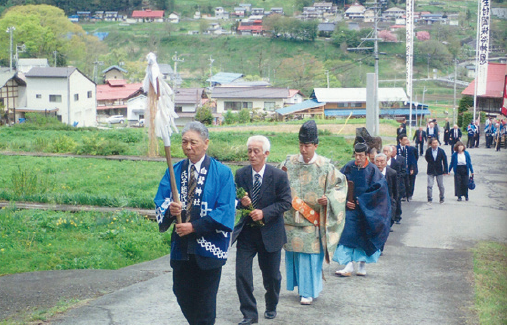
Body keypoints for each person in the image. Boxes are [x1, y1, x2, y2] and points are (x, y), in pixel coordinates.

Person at [154, 122, 236, 325]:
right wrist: (170, 210)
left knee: (205, 304)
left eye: (193, 142)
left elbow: (226, 210)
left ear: (206, 143)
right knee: (182, 293)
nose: (188, 146)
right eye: (184, 142)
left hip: (209, 250)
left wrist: (195, 227)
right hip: (182, 249)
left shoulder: (222, 173)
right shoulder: (174, 171)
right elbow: (161, 200)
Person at [279, 120, 347, 305]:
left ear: (315, 145)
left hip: (313, 219)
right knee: (294, 255)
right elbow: (277, 181)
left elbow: (340, 186)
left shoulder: (325, 166)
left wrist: (330, 198)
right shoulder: (288, 163)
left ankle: (308, 291)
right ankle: (301, 288)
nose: (303, 149)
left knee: (309, 256)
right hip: (292, 219)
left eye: (307, 145)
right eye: (301, 145)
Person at [233, 136, 292, 325]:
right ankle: (249, 313)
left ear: (266, 154)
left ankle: (271, 305)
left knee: (272, 276)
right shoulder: (241, 174)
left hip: (271, 233)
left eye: (256, 151)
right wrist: (241, 203)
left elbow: (286, 202)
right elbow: (234, 199)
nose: (252, 155)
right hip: (247, 234)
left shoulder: (279, 176)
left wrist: (264, 213)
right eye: (249, 151)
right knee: (242, 273)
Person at [333, 142, 391, 277]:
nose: (358, 158)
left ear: (366, 156)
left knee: (364, 238)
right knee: (347, 235)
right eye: (356, 155)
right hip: (350, 210)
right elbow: (337, 184)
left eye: (361, 155)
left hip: (367, 211)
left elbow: (379, 190)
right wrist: (346, 200)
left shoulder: (373, 170)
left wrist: (361, 201)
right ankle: (348, 265)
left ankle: (362, 264)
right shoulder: (348, 167)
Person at [374, 153, 398, 228]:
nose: (379, 164)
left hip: (388, 200)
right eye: (377, 161)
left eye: (381, 161)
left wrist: (394, 201)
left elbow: (395, 190)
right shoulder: (372, 173)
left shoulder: (392, 173)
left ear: (386, 162)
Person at [383, 145, 404, 223]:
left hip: (394, 185)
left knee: (396, 201)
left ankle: (396, 216)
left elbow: (398, 175)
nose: (385, 153)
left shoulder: (396, 163)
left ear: (391, 153)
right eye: (384, 151)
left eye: (387, 151)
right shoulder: (380, 163)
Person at [425, 138, 448, 204]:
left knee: (440, 185)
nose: (435, 144)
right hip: (431, 170)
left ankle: (442, 198)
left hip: (439, 170)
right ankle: (429, 199)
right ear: (431, 144)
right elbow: (427, 158)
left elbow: (445, 160)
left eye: (436, 143)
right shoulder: (428, 151)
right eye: (433, 143)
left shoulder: (441, 151)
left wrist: (445, 170)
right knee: (429, 185)